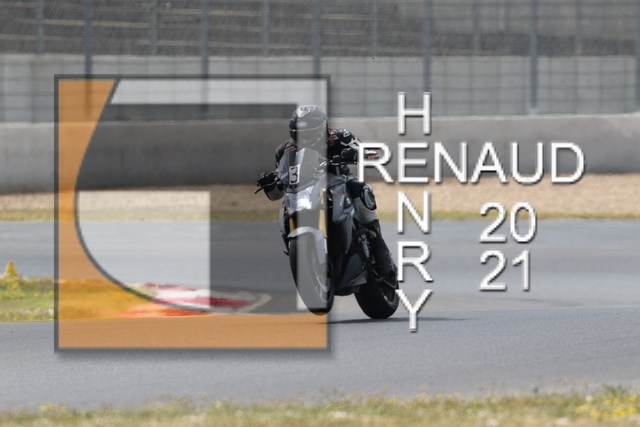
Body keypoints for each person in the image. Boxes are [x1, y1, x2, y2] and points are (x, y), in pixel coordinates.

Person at [256, 105, 394, 279]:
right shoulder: (284, 150)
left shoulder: (340, 135)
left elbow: (362, 150)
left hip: (338, 179)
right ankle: (298, 249)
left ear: (322, 129)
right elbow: (278, 189)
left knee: (360, 189)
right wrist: (270, 184)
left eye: (309, 134)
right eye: (298, 134)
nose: (304, 139)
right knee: (285, 209)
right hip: (303, 188)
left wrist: (353, 154)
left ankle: (379, 250)